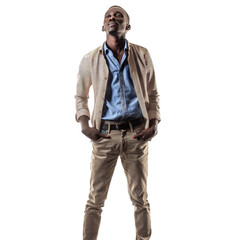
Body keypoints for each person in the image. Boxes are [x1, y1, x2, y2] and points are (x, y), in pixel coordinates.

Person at [75, 5, 160, 240]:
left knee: (140, 199)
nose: (113, 18)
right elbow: (81, 96)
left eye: (119, 16)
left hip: (137, 134)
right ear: (104, 26)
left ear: (127, 26)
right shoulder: (90, 59)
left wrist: (154, 124)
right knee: (95, 199)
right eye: (109, 16)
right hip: (104, 135)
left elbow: (153, 94)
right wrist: (85, 124)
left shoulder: (142, 55)